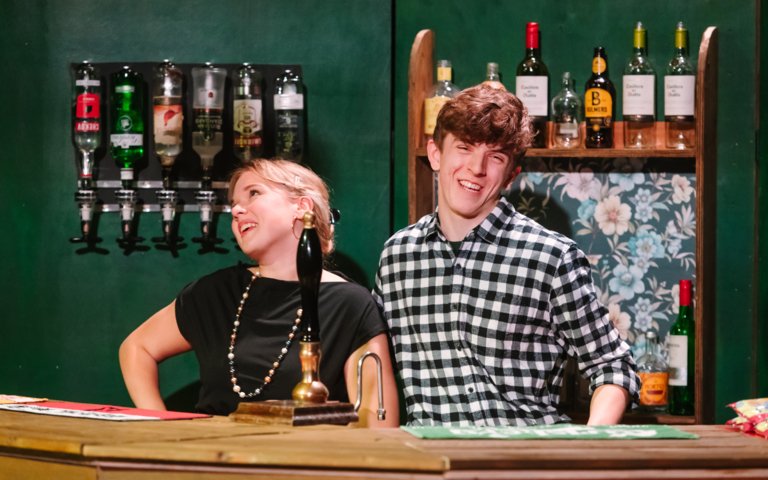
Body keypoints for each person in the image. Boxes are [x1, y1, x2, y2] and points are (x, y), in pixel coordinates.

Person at [374, 85, 639, 426]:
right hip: (429, 466)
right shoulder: (398, 257)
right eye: (464, 148)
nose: (476, 168)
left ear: (511, 175)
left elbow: (613, 365)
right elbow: (372, 366)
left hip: (526, 462)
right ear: (435, 153)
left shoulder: (551, 257)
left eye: (495, 157)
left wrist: (587, 447)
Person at [120, 159, 399, 427]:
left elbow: (377, 419)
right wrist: (160, 425)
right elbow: (136, 348)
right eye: (234, 205)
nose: (237, 211)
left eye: (254, 193)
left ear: (302, 206)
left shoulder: (351, 304)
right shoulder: (215, 293)